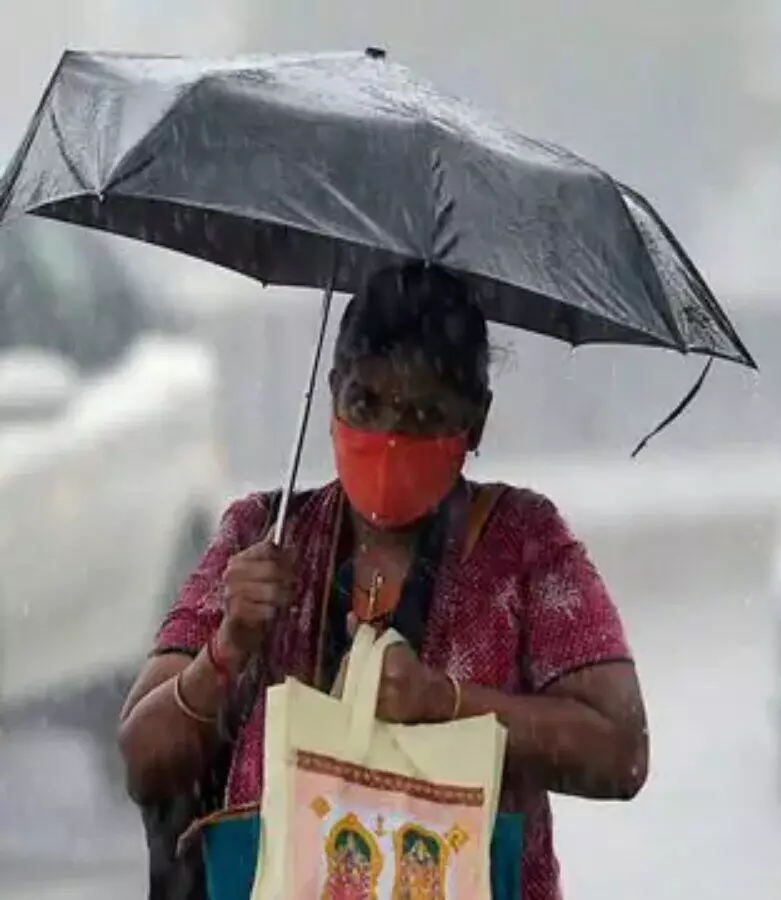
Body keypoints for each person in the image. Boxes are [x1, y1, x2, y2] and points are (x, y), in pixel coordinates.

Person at [118, 262, 649, 900]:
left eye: (425, 414)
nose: (391, 437)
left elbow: (621, 753)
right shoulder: (262, 533)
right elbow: (144, 759)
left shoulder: (524, 545)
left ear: (476, 421)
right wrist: (227, 649)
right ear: (332, 393)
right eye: (365, 404)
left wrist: (445, 703)